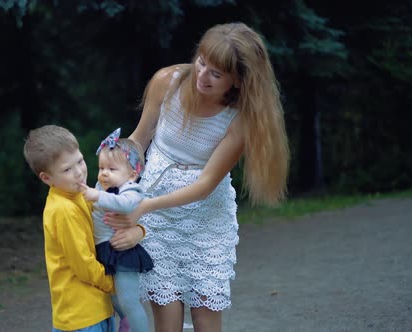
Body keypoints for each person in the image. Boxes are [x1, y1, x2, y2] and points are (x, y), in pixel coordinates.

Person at [104, 22, 290, 331]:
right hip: (157, 216)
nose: (202, 76)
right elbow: (140, 138)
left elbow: (205, 186)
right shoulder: (167, 82)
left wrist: (144, 207)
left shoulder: (240, 119)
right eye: (201, 62)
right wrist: (115, 165)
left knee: (205, 314)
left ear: (238, 81)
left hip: (205, 218)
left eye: (216, 74)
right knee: (167, 313)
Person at [23, 124, 121, 332]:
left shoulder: (80, 194)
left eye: (80, 161)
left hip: (96, 307)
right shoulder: (62, 210)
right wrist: (116, 285)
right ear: (46, 178)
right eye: (67, 169)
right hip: (81, 316)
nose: (79, 172)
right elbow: (83, 265)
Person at [79, 128, 153, 332]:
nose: (104, 173)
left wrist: (97, 196)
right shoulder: (100, 187)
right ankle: (127, 324)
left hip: (122, 252)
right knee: (113, 297)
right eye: (101, 167)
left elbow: (126, 205)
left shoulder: (131, 190)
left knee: (129, 300)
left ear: (132, 174)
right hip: (105, 249)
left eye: (112, 169)